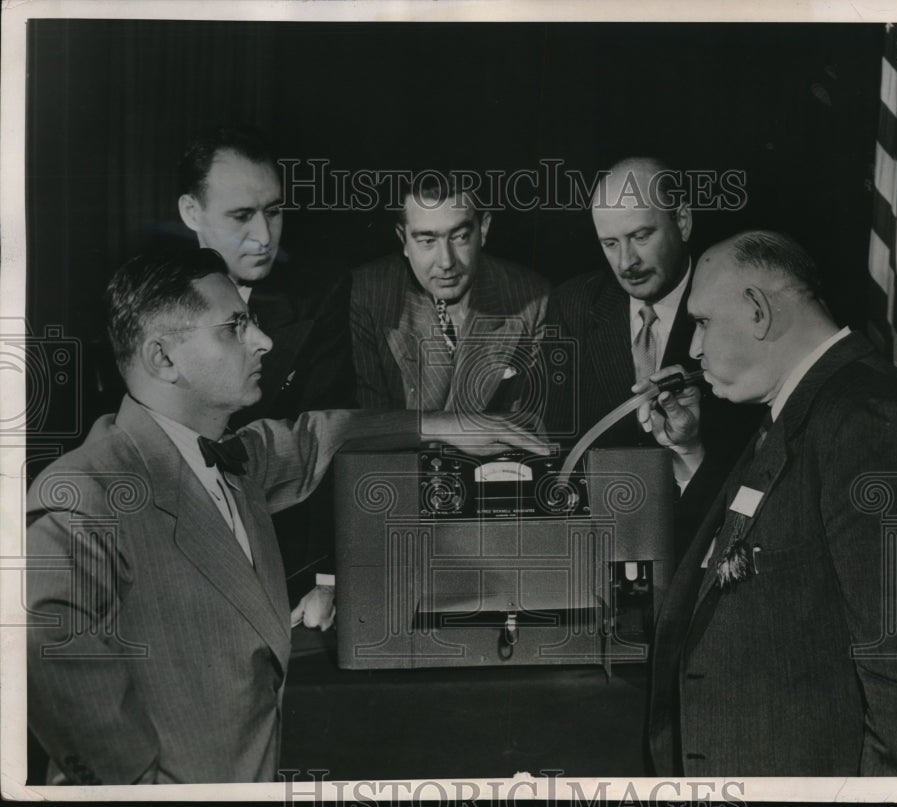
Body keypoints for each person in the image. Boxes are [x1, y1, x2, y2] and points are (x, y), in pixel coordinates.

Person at [25, 249, 543, 785]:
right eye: (235, 327)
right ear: (163, 359)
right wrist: (135, 788)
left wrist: (441, 424)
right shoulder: (86, 490)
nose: (264, 341)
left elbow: (319, 433)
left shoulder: (233, 459)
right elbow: (43, 647)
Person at [641, 231, 897, 776]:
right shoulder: (801, 413)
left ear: (757, 312)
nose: (694, 349)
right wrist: (687, 450)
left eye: (702, 323)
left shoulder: (874, 426)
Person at [177, 125, 355, 603]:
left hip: (289, 568)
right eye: (241, 216)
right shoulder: (145, 297)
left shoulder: (321, 298)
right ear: (191, 212)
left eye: (273, 212)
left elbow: (332, 432)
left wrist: (327, 580)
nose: (263, 237)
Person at [548, 157, 759, 559]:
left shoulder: (735, 304)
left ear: (682, 221)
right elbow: (557, 444)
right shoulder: (571, 306)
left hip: (709, 551)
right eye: (610, 244)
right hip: (600, 551)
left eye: (641, 236)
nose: (626, 262)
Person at [351, 172, 549, 426]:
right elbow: (368, 428)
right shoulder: (367, 295)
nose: (446, 262)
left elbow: (532, 424)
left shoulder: (533, 299)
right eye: (427, 240)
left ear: (484, 228)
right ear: (403, 239)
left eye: (460, 237)